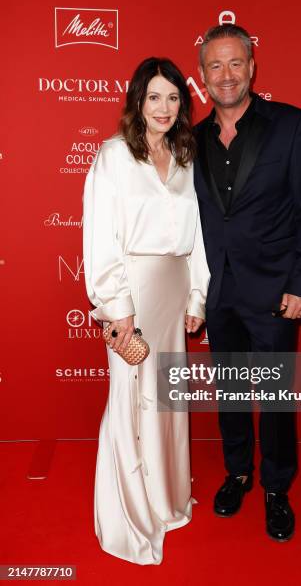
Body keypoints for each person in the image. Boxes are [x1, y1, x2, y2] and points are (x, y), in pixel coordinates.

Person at [194, 24, 301, 542]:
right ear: (202, 76)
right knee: (229, 390)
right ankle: (237, 473)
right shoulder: (195, 138)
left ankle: (276, 487)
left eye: (235, 63)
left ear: (252, 67)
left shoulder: (292, 126)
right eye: (215, 66)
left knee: (273, 396)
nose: (226, 75)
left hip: (276, 289)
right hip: (219, 290)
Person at [83, 57, 210, 565]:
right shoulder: (113, 157)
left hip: (175, 289)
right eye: (154, 97)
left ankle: (167, 499)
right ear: (138, 100)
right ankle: (131, 513)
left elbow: (199, 235)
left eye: (173, 97)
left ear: (183, 104)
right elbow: (100, 239)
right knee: (131, 400)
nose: (164, 107)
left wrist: (198, 295)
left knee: (167, 398)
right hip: (132, 294)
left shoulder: (185, 157)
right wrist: (119, 311)